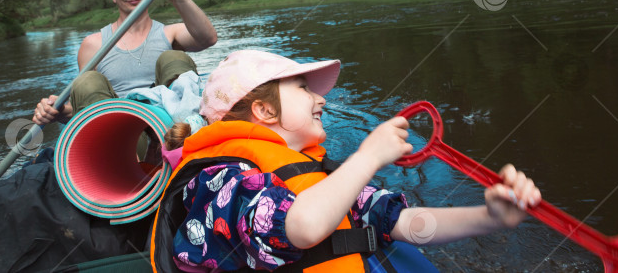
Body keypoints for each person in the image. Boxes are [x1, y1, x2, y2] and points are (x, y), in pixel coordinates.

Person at [150, 50, 541, 271]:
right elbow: (298, 227)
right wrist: (368, 156)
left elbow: (403, 223)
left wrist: (490, 218)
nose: (322, 99)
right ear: (264, 111)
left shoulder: (315, 174)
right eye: (304, 90)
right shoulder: (223, 181)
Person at [32, 0, 217, 126]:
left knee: (173, 58)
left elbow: (208, 38)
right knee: (87, 81)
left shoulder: (170, 33)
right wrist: (59, 111)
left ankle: (192, 142)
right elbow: (84, 107)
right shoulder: (93, 44)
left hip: (171, 127)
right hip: (123, 135)